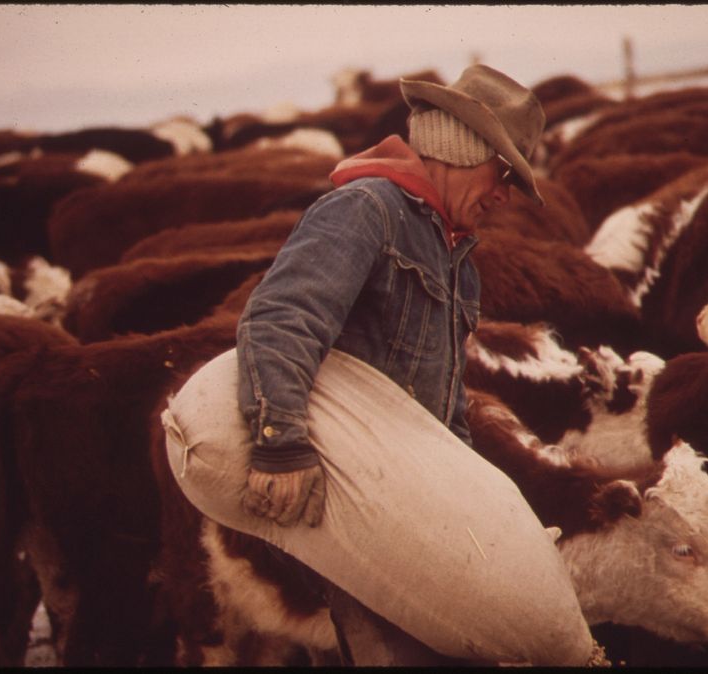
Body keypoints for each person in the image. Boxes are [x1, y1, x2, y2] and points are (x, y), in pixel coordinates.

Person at [234, 64, 547, 665]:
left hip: (413, 507)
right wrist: (279, 444)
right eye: (503, 173)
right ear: (462, 150)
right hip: (360, 505)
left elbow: (445, 403)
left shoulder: (456, 256)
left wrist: (474, 505)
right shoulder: (366, 210)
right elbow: (281, 317)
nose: (505, 196)